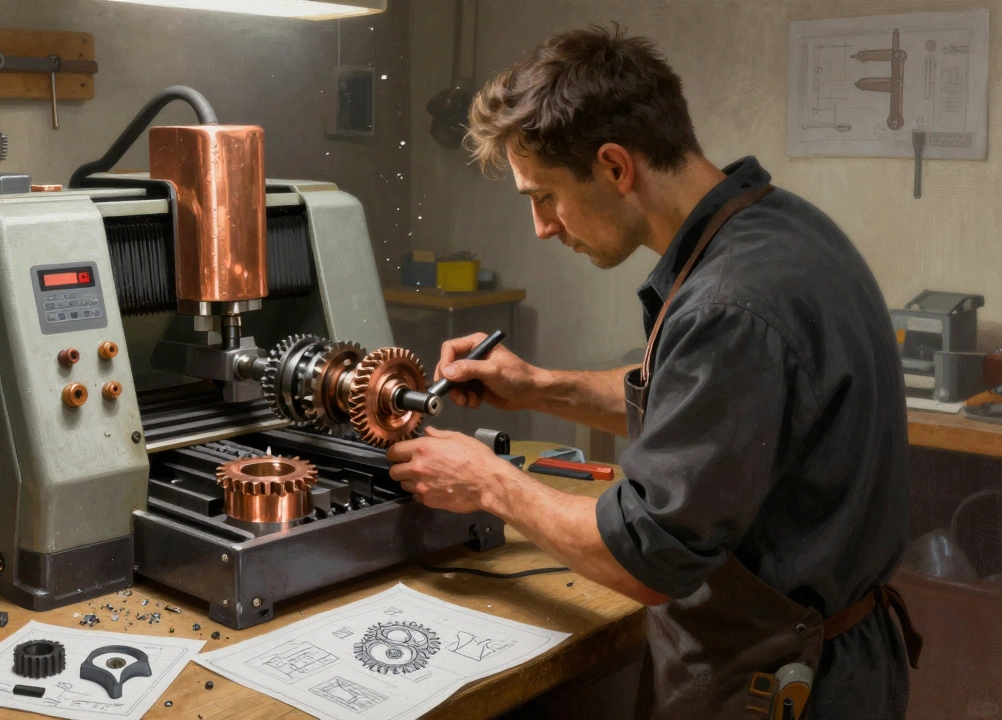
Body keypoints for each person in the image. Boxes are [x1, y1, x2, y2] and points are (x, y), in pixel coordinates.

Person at [386, 24, 921, 719]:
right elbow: (712, 407)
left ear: (615, 166)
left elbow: (643, 557)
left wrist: (490, 483)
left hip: (792, 680)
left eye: (542, 196)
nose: (542, 227)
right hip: (827, 655)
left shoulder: (731, 303)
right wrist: (539, 387)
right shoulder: (776, 228)